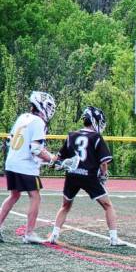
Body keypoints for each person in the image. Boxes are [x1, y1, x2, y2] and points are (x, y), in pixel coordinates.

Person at [47, 106, 125, 246]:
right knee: (108, 205)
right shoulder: (96, 137)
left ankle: (54, 235)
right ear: (95, 121)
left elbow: (58, 158)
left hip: (72, 175)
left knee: (65, 206)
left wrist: (53, 163)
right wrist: (103, 174)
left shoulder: (71, 135)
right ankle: (114, 238)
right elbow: (104, 162)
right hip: (89, 176)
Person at [0, 91, 57, 243]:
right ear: (41, 106)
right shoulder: (39, 122)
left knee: (14, 195)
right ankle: (29, 233)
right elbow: (36, 149)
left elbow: (10, 141)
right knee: (35, 196)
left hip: (11, 162)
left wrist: (46, 159)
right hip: (24, 166)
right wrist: (52, 159)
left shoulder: (22, 118)